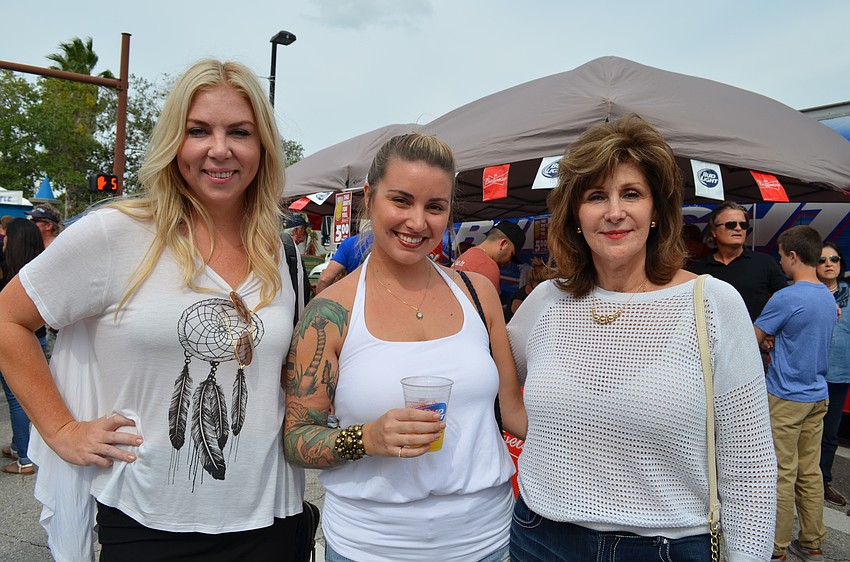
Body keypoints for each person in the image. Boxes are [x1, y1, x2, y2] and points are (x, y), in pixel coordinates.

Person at [0, 59, 305, 561]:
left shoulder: (281, 252)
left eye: (240, 132)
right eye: (199, 130)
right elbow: (9, 319)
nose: (219, 148)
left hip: (270, 521)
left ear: (263, 147)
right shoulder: (116, 234)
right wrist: (62, 430)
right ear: (173, 142)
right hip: (147, 525)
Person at [507, 114, 777, 561]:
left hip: (668, 546)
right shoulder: (547, 301)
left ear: (656, 211)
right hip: (541, 538)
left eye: (631, 193)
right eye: (597, 196)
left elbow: (749, 467)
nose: (615, 211)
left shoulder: (712, 303)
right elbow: (485, 382)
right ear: (576, 215)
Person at [284, 132, 526, 562]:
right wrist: (367, 438)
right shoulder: (329, 313)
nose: (418, 222)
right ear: (369, 197)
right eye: (401, 201)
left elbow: (513, 412)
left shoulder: (478, 293)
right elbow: (298, 439)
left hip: (486, 541)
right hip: (371, 546)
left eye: (435, 207)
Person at [754, 226, 836, 561]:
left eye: (780, 256)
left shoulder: (787, 297)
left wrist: (767, 338)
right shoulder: (827, 296)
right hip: (818, 394)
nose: (780, 263)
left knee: (781, 473)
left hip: (786, 397)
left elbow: (751, 337)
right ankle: (813, 541)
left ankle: (777, 547)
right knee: (810, 471)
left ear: (791, 255)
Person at [687, 201, 787, 322]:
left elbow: (786, 302)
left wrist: (768, 330)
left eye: (743, 225)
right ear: (714, 231)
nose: (738, 228)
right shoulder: (697, 269)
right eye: (731, 224)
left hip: (755, 339)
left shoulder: (764, 263)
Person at [0, 218, 46, 475]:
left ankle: (25, 458)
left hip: (11, 340)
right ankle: (20, 446)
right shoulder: (40, 270)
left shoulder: (9, 272)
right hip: (36, 337)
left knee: (16, 400)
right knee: (20, 398)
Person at [816, 241, 850, 507]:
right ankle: (798, 484)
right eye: (822, 259)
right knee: (800, 436)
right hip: (808, 375)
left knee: (830, 434)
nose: (829, 264)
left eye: (834, 259)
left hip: (839, 376)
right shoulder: (804, 293)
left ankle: (823, 482)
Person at [451, 220, 526, 292]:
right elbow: (488, 305)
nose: (509, 261)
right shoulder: (487, 265)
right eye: (511, 254)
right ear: (503, 244)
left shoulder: (465, 256)